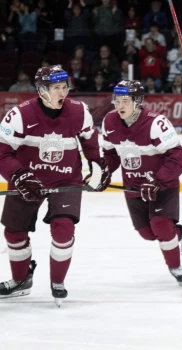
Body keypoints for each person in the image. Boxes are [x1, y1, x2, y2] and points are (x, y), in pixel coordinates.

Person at [0, 65, 111, 305]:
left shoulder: (80, 111)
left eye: (65, 87)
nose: (63, 93)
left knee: (63, 229)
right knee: (14, 232)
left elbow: (91, 145)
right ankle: (21, 280)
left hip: (66, 180)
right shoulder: (19, 115)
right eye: (56, 88)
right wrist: (18, 176)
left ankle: (57, 281)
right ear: (41, 90)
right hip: (27, 180)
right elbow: (2, 152)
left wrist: (97, 167)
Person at [101, 80, 182, 287]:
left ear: (138, 102)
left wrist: (158, 181)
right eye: (117, 100)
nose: (120, 106)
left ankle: (175, 267)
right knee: (147, 233)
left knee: (161, 226)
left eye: (125, 101)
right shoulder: (109, 121)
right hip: (133, 187)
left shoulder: (156, 123)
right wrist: (103, 173)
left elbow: (178, 155)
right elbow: (110, 154)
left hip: (162, 186)